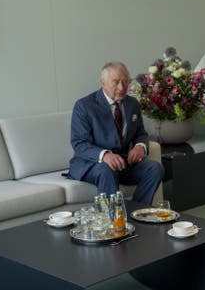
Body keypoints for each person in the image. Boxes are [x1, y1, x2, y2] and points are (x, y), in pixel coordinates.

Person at [68, 61, 163, 205]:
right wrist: (105, 155)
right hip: (92, 164)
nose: (121, 87)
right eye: (116, 82)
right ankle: (114, 222)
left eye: (125, 82)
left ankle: (137, 213)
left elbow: (141, 133)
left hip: (123, 162)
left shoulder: (132, 104)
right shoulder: (84, 106)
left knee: (155, 168)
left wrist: (140, 146)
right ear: (102, 82)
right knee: (107, 169)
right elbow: (79, 144)